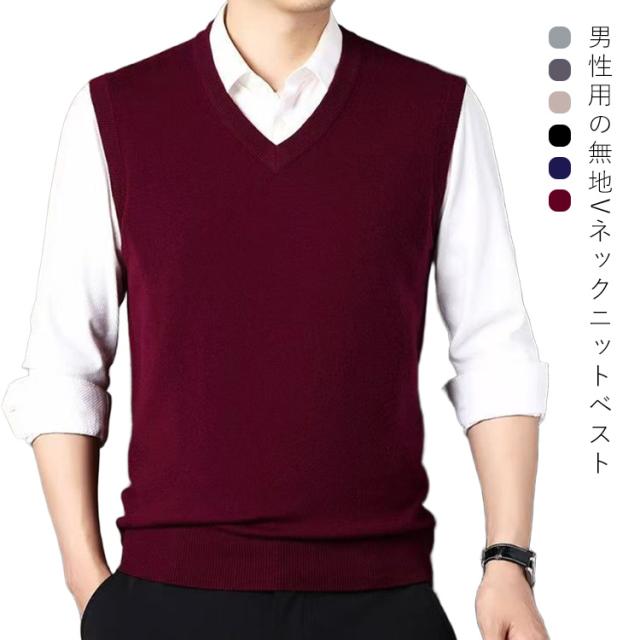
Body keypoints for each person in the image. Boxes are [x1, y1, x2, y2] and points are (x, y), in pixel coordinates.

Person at [2, 1, 551, 638]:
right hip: (166, 598)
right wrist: (89, 586)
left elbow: (494, 350)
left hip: (380, 600)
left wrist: (509, 562)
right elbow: (64, 368)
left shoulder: (437, 111)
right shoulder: (114, 114)